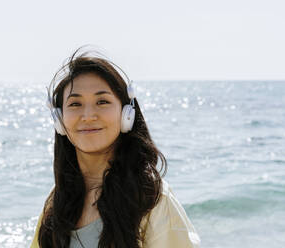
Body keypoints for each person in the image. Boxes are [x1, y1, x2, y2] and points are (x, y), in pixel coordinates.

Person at [30, 47, 200, 248]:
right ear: (59, 119)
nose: (88, 115)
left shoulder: (150, 197)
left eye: (102, 101)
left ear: (126, 114)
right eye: (75, 104)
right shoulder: (56, 201)